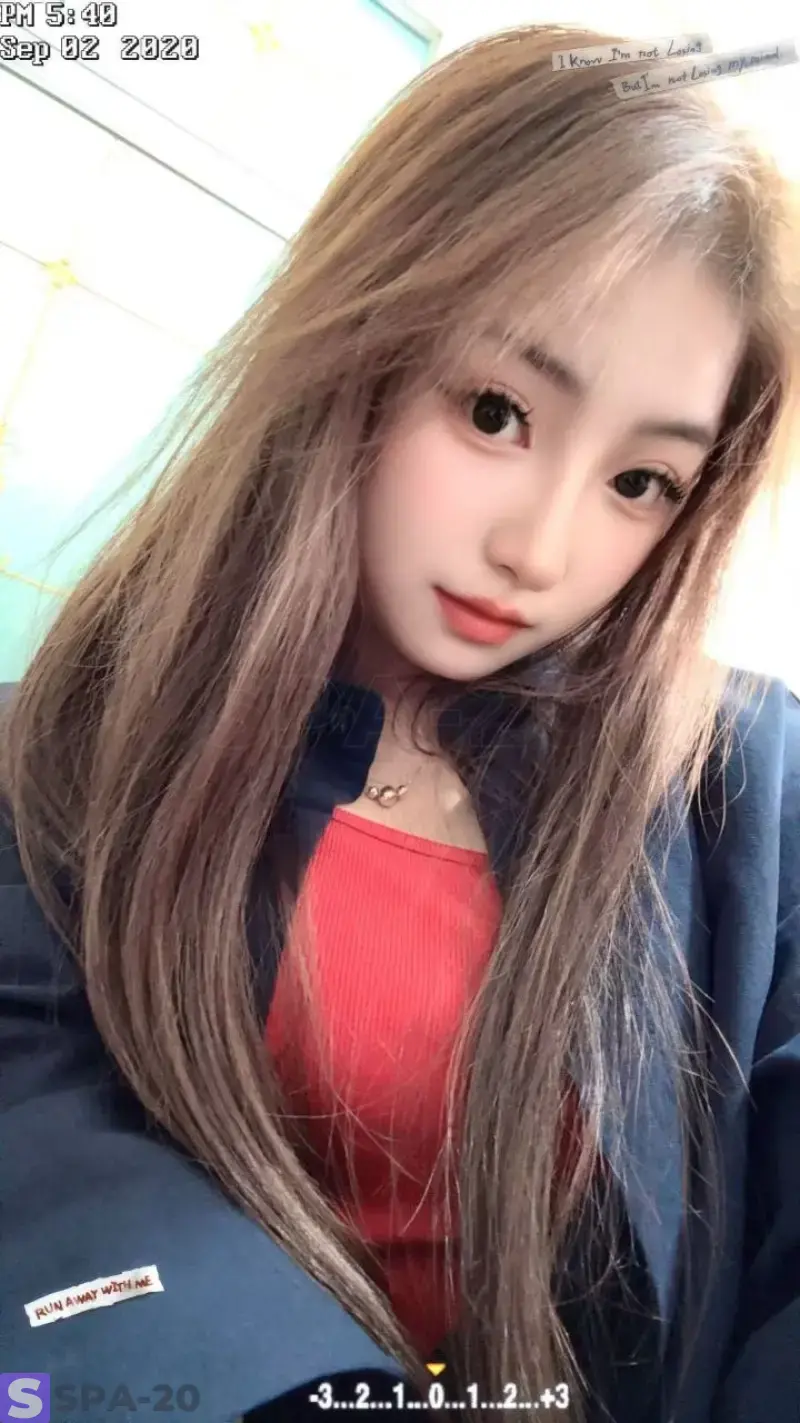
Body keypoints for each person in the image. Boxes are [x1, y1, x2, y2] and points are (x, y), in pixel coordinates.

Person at [1, 21, 799, 1423]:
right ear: (360, 341)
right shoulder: (63, 757)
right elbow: (46, 1171)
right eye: (495, 410)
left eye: (641, 482)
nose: (539, 547)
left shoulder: (749, 786)